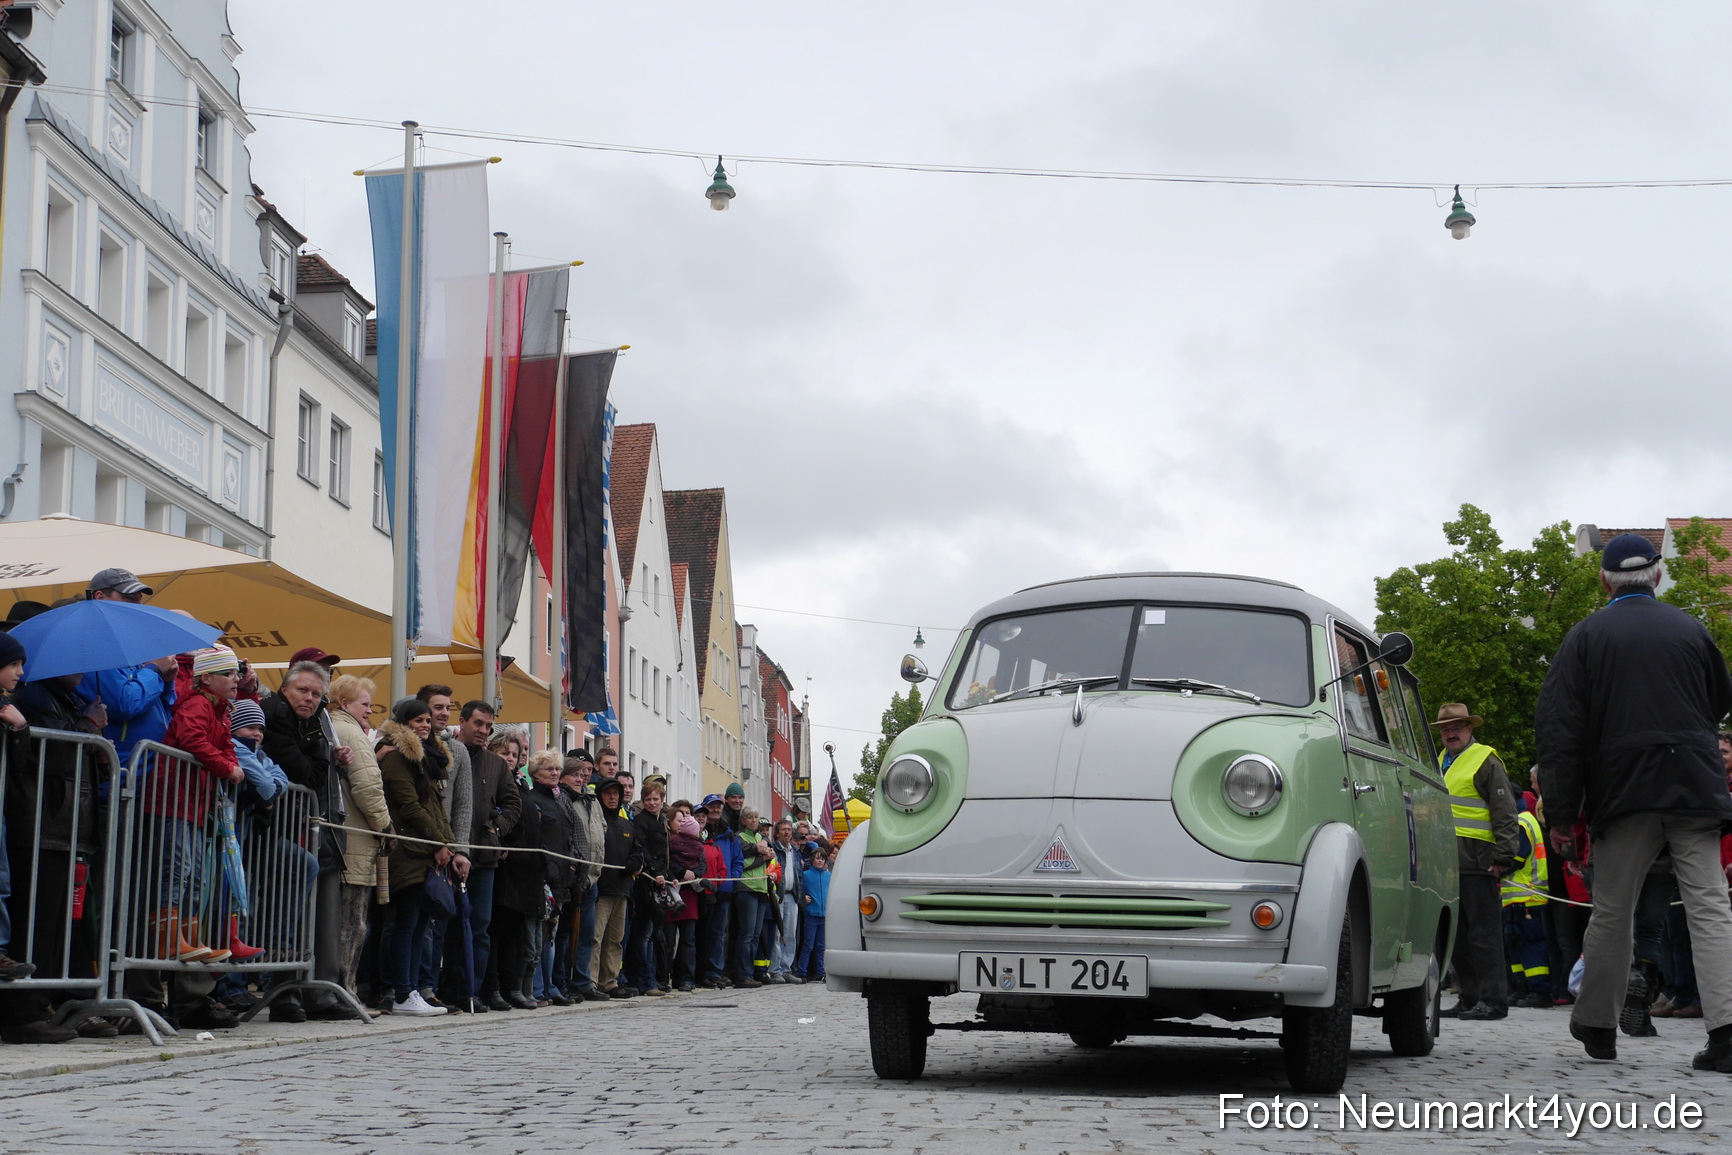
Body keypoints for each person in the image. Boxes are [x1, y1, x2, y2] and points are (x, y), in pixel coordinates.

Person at [1536, 532, 1732, 1069]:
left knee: (1613, 909)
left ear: (1604, 581)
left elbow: (1560, 732)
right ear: (1659, 577)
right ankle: (1728, 1030)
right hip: (1694, 781)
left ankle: (1598, 1024)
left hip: (1625, 789)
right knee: (1710, 906)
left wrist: (1561, 812)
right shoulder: (1691, 629)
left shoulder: (1585, 637)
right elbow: (1719, 698)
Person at [261, 659, 350, 1020]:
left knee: (295, 903)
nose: (310, 699)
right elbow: (300, 770)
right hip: (266, 827)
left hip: (296, 825)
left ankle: (288, 987)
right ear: (285, 689)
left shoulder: (314, 723)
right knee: (276, 906)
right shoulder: (273, 714)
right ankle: (277, 988)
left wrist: (323, 760)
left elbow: (313, 772)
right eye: (303, 690)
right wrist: (320, 760)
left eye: (316, 694)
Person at [1431, 702, 1519, 1021]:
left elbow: (1505, 812)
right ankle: (1469, 996)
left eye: (1456, 727)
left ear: (1470, 729)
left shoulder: (1485, 759)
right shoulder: (1440, 761)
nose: (1450, 733)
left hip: (1479, 860)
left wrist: (1503, 857)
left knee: (1484, 936)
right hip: (1447, 863)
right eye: (1444, 729)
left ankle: (1493, 1000)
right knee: (1456, 937)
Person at [373, 698, 456, 1017]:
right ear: (404, 723)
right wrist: (439, 841)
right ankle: (402, 991)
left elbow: (436, 807)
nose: (424, 725)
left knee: (421, 923)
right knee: (405, 923)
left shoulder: (424, 759)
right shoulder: (397, 757)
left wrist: (446, 843)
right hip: (407, 850)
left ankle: (410, 990)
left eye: (426, 720)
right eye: (417, 720)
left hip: (427, 850)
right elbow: (409, 806)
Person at [327, 676, 391, 1009]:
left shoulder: (332, 728)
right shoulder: (353, 733)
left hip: (340, 839)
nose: (370, 710)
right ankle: (346, 993)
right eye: (364, 703)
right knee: (353, 924)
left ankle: (339, 991)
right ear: (344, 703)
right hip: (355, 841)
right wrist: (385, 826)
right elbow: (368, 789)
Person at [452, 700, 519, 1013]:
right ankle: (445, 989)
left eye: (488, 727)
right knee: (445, 925)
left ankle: (472, 991)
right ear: (463, 721)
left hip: (484, 858)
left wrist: (497, 828)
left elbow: (512, 804)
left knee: (479, 928)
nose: (483, 731)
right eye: (478, 724)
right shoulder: (448, 751)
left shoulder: (496, 763)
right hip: (449, 851)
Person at [497, 752, 577, 1009]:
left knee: (550, 938)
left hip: (560, 878)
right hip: (538, 877)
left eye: (557, 768)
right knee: (532, 939)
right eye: (548, 769)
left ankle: (546, 987)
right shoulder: (532, 799)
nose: (554, 773)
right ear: (535, 773)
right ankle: (534, 989)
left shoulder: (560, 801)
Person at [410, 686, 470, 1012]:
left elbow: (463, 805)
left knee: (437, 920)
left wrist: (459, 849)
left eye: (448, 707)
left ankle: (429, 986)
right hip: (418, 843)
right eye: (438, 707)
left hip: (445, 848)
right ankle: (416, 987)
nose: (444, 713)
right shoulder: (410, 745)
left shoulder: (456, 751)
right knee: (417, 923)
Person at [588, 776, 640, 998]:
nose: (612, 797)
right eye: (608, 793)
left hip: (622, 889)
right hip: (601, 888)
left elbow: (638, 850)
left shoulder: (626, 824)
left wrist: (636, 862)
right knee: (595, 938)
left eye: (615, 793)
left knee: (615, 939)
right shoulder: (596, 821)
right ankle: (591, 981)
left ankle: (609, 982)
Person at [1500, 793, 1550, 1008]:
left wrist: (1493, 867)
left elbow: (1516, 859)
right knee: (1518, 944)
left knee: (1530, 945)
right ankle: (1523, 988)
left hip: (1526, 895)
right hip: (1521, 895)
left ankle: (1539, 991)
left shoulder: (1520, 823)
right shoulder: (1526, 820)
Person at [564, 758, 608, 1003]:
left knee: (587, 933)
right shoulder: (566, 799)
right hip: (572, 875)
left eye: (584, 775)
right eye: (576, 775)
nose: (581, 779)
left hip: (592, 875)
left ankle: (583, 981)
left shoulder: (592, 799)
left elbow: (601, 827)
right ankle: (563, 981)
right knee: (567, 934)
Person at [626, 778, 671, 997]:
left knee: (653, 933)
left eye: (655, 799)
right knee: (643, 934)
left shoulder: (661, 821)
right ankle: (645, 981)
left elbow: (664, 854)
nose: (652, 803)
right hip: (645, 883)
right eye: (647, 799)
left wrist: (668, 875)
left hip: (658, 882)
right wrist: (656, 873)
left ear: (662, 800)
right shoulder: (641, 821)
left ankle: (652, 978)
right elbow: (643, 849)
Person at [699, 794, 741, 989]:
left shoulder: (729, 834)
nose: (715, 810)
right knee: (701, 933)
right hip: (701, 890)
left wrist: (731, 878)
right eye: (711, 807)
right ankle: (701, 971)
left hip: (723, 890)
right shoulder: (699, 831)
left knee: (719, 933)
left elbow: (737, 860)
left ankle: (716, 971)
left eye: (718, 807)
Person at [732, 806, 772, 989]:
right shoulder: (739, 838)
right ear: (743, 820)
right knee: (746, 935)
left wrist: (769, 857)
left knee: (756, 935)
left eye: (756, 817)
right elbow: (743, 864)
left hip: (761, 889)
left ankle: (752, 972)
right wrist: (762, 858)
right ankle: (742, 974)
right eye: (749, 817)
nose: (753, 820)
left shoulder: (759, 837)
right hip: (746, 888)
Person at [666, 811, 705, 991]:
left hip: (690, 894)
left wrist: (693, 874)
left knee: (688, 940)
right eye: (679, 819)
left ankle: (686, 978)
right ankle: (664, 975)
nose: (681, 823)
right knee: (668, 939)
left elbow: (702, 864)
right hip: (671, 891)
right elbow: (666, 861)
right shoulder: (671, 842)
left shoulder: (698, 845)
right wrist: (681, 872)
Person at [767, 819, 803, 983]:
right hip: (778, 895)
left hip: (792, 895)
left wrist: (799, 894)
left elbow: (798, 874)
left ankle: (786, 967)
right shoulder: (773, 849)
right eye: (784, 829)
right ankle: (775, 970)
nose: (787, 832)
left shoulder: (795, 851)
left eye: (789, 829)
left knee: (790, 933)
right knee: (777, 933)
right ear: (777, 832)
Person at [794, 848, 830, 982]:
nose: (820, 860)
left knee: (821, 946)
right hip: (811, 913)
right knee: (808, 944)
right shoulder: (806, 875)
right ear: (812, 859)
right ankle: (802, 970)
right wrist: (804, 898)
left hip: (824, 914)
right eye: (817, 858)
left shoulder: (828, 876)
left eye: (822, 858)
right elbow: (799, 890)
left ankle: (821, 971)